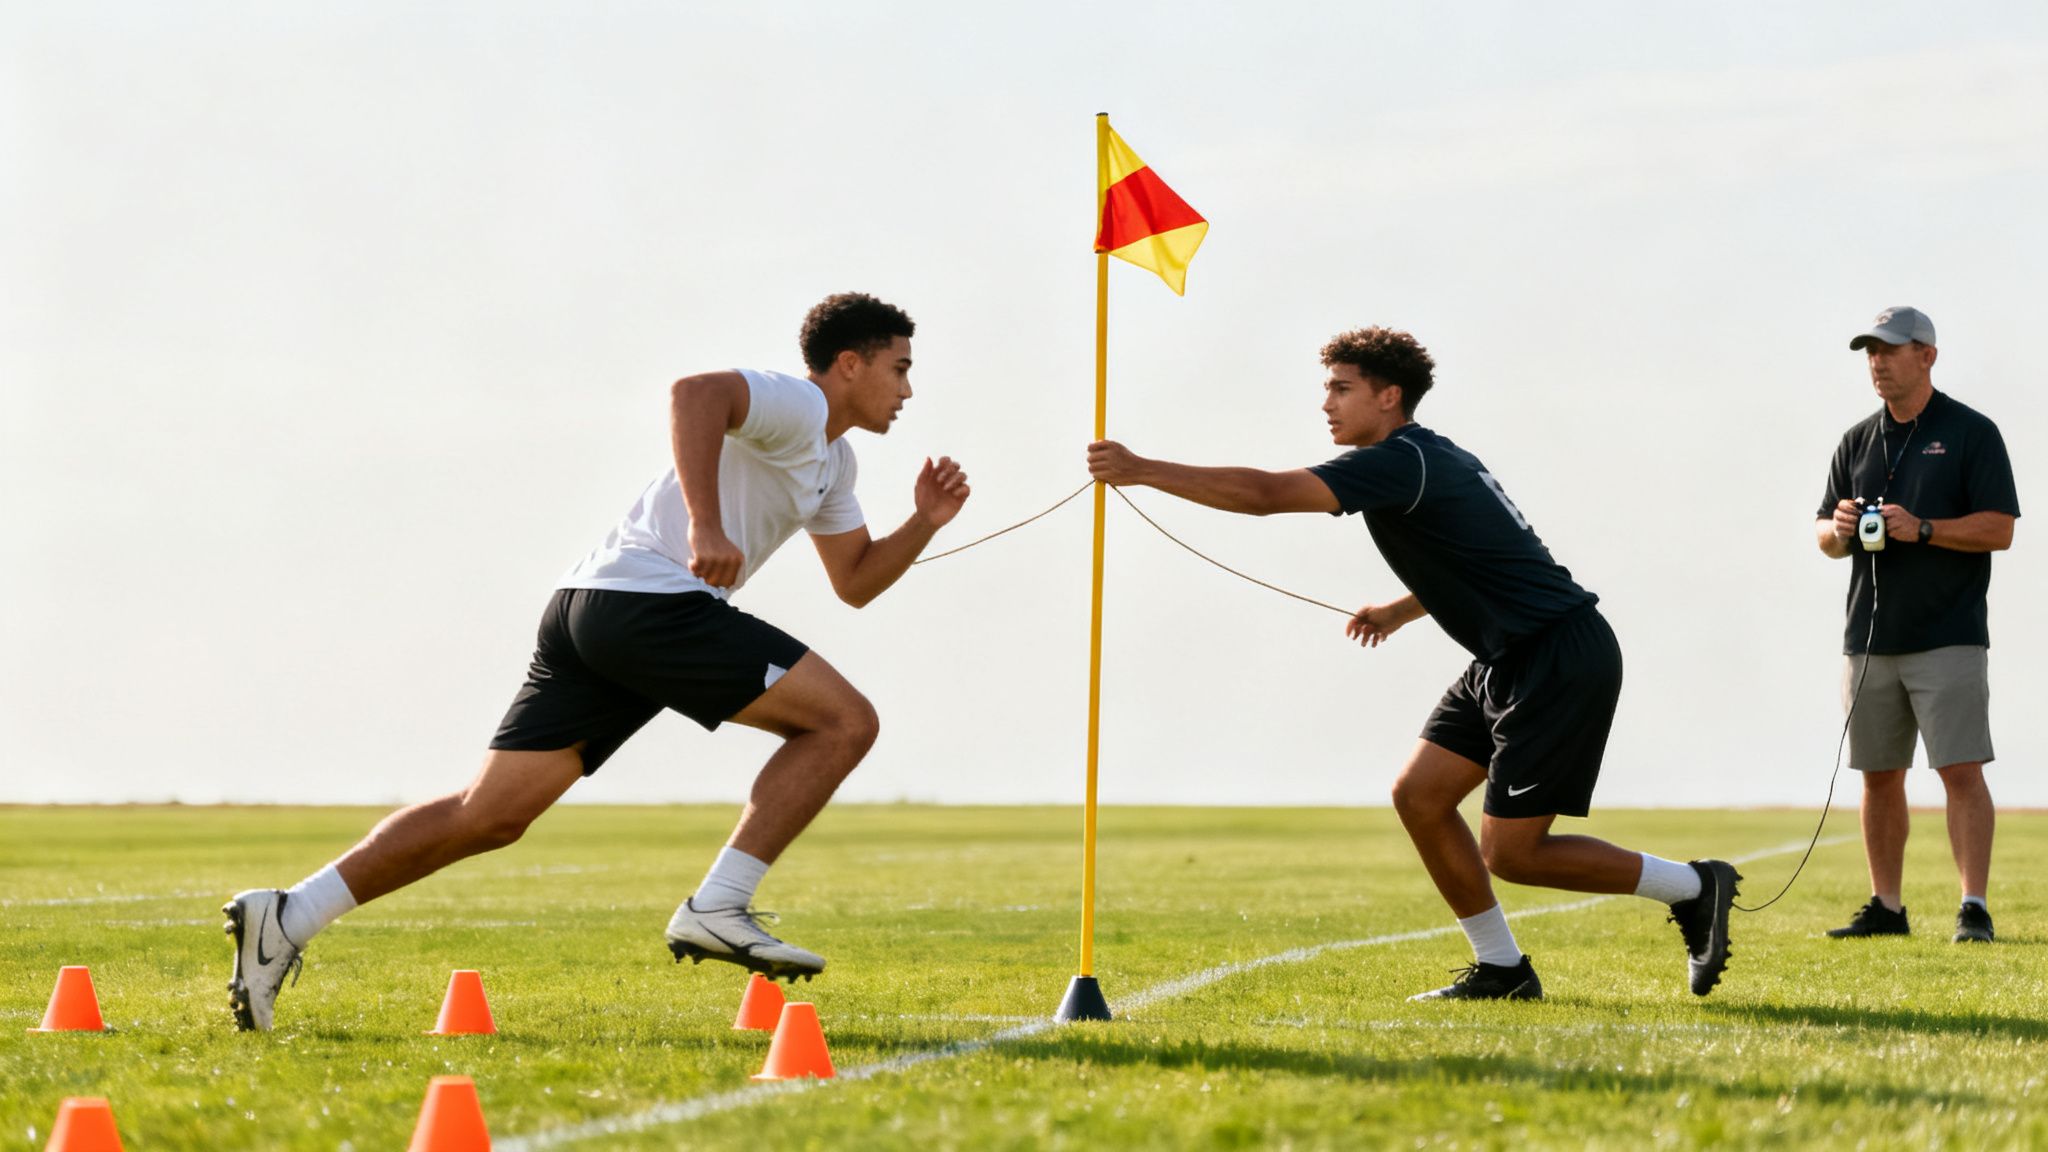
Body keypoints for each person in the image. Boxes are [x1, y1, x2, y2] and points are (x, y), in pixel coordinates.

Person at [222, 292, 971, 1030]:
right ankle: (719, 904)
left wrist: (926, 521)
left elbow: (856, 581)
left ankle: (288, 915)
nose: (907, 390)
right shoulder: (799, 404)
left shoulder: (833, 462)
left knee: (488, 815)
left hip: (592, 607)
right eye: (900, 368)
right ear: (849, 364)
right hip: (651, 605)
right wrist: (705, 527)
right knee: (844, 723)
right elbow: (695, 393)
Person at [1087, 327, 1738, 1000]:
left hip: (1556, 656)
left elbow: (1267, 494)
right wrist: (1401, 610)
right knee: (1420, 797)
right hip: (1505, 659)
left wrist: (1141, 469)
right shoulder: (1428, 458)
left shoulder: (1401, 461)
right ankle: (1503, 971)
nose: (1327, 404)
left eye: (1342, 388)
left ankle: (1694, 886)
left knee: (1513, 855)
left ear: (1388, 396)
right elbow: (1481, 558)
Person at [1815, 306, 2018, 944]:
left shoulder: (1971, 432)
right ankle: (1887, 907)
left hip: (1948, 635)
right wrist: (1839, 530)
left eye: (1890, 350)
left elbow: (2000, 528)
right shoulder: (1856, 440)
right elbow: (1823, 535)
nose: (1877, 362)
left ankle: (1973, 908)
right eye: (1870, 352)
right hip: (1868, 640)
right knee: (1878, 776)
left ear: (1927, 355)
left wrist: (1923, 528)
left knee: (1960, 770)